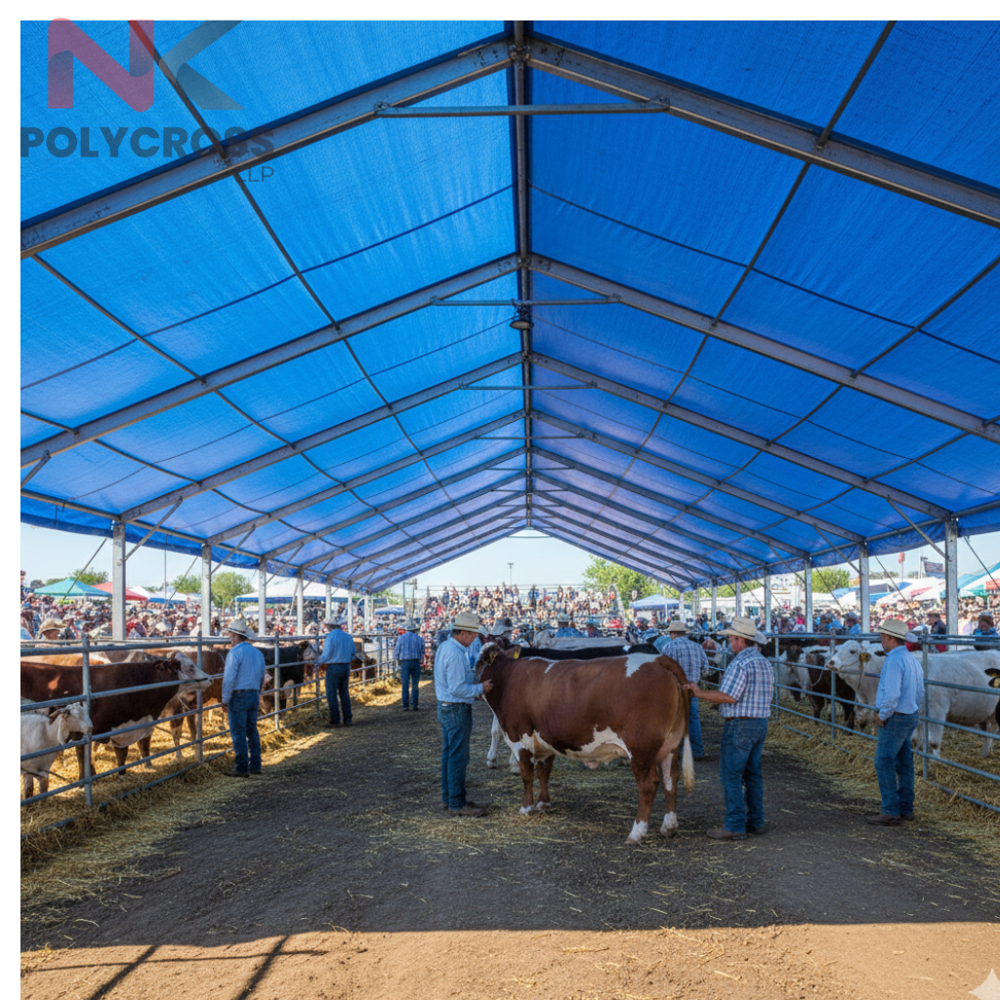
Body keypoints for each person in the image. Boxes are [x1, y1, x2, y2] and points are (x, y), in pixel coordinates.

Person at [683, 616, 774, 841]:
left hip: (740, 724)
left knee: (730, 775)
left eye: (732, 639)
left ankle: (734, 825)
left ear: (740, 640)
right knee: (753, 774)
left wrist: (699, 693)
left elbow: (729, 696)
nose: (731, 643)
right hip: (760, 722)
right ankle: (756, 821)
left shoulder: (740, 663)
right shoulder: (764, 661)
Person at [867, 617, 925, 826]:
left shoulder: (893, 661)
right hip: (910, 714)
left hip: (896, 716)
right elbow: (920, 692)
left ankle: (890, 809)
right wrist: (912, 707)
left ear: (890, 638)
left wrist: (882, 715)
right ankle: (906, 808)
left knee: (883, 761)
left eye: (882, 637)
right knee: (904, 762)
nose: (881, 641)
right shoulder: (912, 659)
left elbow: (891, 695)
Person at [434, 612, 493, 817]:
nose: (475, 639)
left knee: (450, 753)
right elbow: (457, 688)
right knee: (459, 756)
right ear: (465, 634)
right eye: (474, 635)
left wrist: (474, 691)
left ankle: (450, 797)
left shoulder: (446, 647)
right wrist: (481, 688)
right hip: (456, 708)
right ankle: (457, 803)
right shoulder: (455, 653)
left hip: (447, 706)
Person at [657, 620, 711, 760]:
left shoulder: (668, 647)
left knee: (674, 720)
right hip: (693, 688)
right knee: (693, 718)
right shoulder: (697, 647)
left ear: (672, 633)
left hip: (675, 688)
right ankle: (697, 750)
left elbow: (664, 670)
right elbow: (706, 670)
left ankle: (673, 750)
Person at [221, 618, 268, 777]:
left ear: (235, 636)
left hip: (239, 695)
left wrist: (225, 699)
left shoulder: (234, 653)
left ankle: (241, 767)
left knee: (238, 732)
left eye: (230, 635)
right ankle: (256, 764)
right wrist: (257, 693)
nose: (230, 638)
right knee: (252, 730)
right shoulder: (258, 653)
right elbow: (261, 676)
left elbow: (229, 679)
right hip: (253, 693)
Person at [316, 617, 356, 727]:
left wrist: (317, 663)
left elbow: (326, 654)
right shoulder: (348, 636)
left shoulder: (330, 637)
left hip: (334, 666)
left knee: (331, 693)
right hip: (346, 666)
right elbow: (353, 653)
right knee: (344, 692)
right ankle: (348, 719)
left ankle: (335, 719)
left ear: (329, 627)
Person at [395, 619, 426, 711]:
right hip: (416, 662)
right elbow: (422, 651)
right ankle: (415, 704)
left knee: (405, 684)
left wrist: (398, 661)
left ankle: (405, 705)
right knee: (415, 685)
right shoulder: (419, 639)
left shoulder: (401, 638)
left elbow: (397, 652)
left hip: (405, 662)